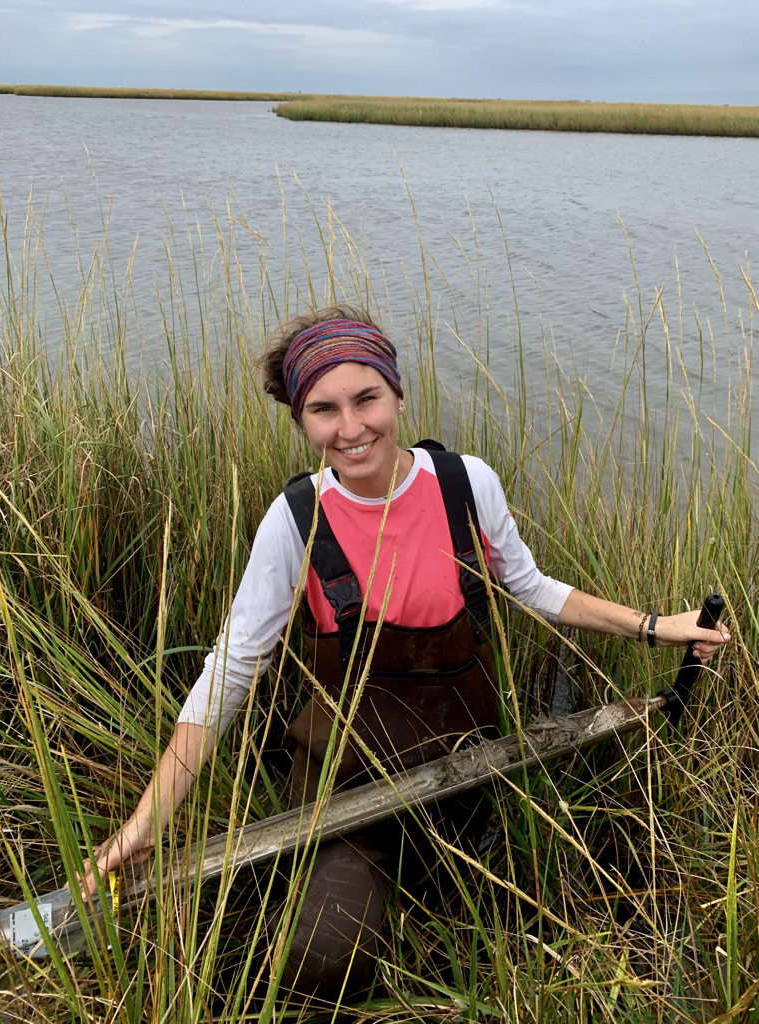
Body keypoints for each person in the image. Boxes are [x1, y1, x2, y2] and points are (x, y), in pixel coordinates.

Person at [81, 305, 730, 999]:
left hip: (466, 770)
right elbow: (229, 676)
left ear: (398, 393)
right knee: (325, 958)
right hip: (346, 788)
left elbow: (532, 587)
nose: (352, 428)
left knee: (470, 907)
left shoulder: (464, 484)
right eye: (324, 409)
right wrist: (144, 825)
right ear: (301, 421)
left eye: (367, 398)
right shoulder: (296, 520)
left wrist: (658, 626)